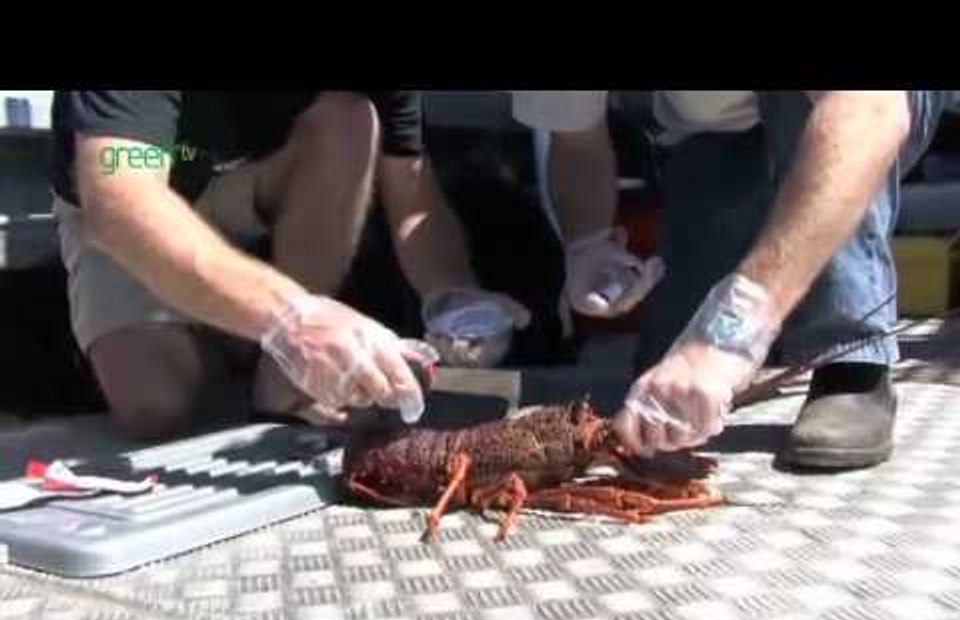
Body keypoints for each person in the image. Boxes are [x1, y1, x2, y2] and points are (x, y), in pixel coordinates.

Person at [52, 91, 530, 440]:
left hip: (255, 184)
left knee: (350, 119)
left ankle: (281, 379)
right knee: (155, 407)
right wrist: (287, 317)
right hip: (140, 200)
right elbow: (119, 200)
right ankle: (245, 336)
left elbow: (410, 191)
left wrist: (451, 296)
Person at [514, 91, 950, 469]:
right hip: (713, 129)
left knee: (806, 111)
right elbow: (574, 142)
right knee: (670, 392)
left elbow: (870, 112)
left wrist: (731, 330)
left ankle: (848, 364)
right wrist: (588, 244)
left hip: (863, 106)